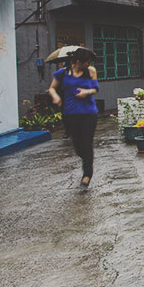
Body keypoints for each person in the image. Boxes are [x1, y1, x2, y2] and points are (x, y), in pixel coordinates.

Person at [48, 47, 99, 188]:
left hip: (89, 112)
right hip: (70, 113)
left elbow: (95, 89)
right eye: (86, 62)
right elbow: (52, 88)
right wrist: (55, 96)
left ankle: (87, 175)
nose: (88, 64)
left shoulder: (90, 71)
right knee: (78, 146)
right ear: (78, 61)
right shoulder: (62, 73)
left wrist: (87, 92)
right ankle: (87, 160)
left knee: (87, 142)